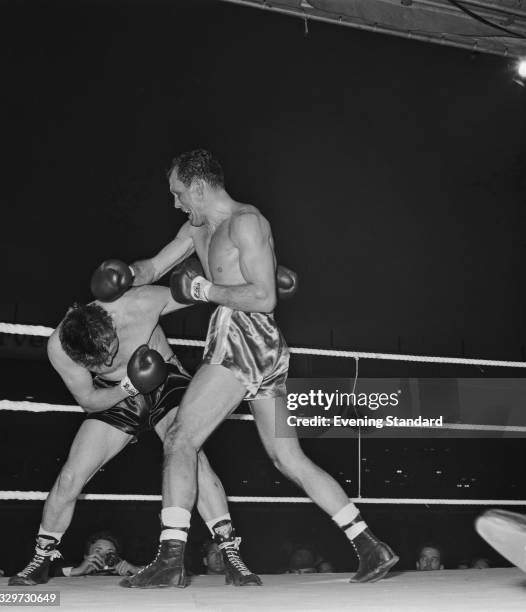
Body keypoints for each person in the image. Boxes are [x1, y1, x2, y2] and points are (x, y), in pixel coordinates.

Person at [109, 149, 397, 588]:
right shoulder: (197, 227)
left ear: (200, 187)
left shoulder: (248, 223)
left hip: (245, 336)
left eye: (179, 192)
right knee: (288, 457)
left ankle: (170, 560)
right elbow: (154, 267)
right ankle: (370, 545)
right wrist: (125, 273)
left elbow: (265, 298)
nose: (176, 202)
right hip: (261, 349)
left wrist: (205, 289)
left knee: (181, 438)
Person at [9, 282, 259, 586]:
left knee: (189, 455)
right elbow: (88, 398)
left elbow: (194, 291)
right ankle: (42, 557)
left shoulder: (139, 302)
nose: (109, 362)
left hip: (166, 380)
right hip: (117, 394)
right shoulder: (59, 347)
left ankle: (230, 552)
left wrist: (251, 284)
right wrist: (127, 385)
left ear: (112, 326)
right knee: (71, 476)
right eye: (98, 363)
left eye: (111, 352)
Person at [50, 531, 140, 577]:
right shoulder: (77, 571)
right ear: (86, 557)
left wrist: (135, 570)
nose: (104, 556)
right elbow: (45, 572)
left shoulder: (125, 575)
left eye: (110, 552)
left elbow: (152, 574)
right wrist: (77, 571)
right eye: (98, 551)